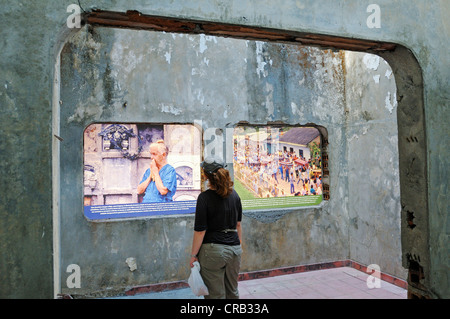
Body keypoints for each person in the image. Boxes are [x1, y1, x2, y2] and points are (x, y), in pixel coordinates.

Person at [189, 156, 243, 299]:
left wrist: (193, 255)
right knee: (232, 292)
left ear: (205, 175)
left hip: (213, 251)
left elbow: (200, 231)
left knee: (215, 295)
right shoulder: (235, 195)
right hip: (234, 250)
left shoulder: (204, 198)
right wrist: (238, 247)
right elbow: (238, 225)